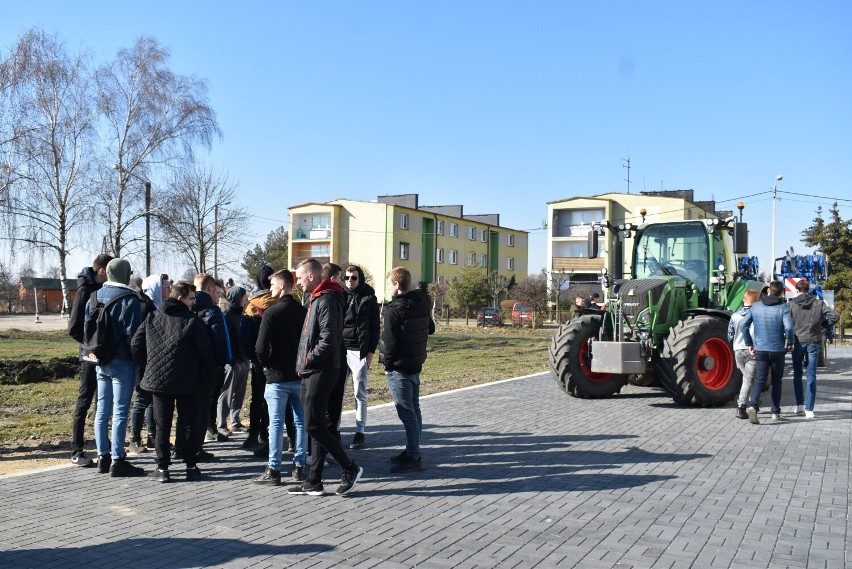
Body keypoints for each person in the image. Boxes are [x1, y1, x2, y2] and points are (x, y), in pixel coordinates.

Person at [288, 258, 363, 497]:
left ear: (311, 276)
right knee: (319, 425)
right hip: (317, 369)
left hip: (321, 369)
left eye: (299, 278)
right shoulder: (319, 297)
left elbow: (328, 339)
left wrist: (308, 359)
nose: (297, 283)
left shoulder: (327, 298)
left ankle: (349, 468)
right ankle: (314, 481)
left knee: (312, 424)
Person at [131, 281, 216, 482]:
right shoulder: (192, 321)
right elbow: (206, 352)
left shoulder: (153, 317)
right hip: (187, 381)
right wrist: (209, 374)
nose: (194, 302)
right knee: (187, 423)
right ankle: (190, 466)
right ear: (180, 298)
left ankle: (163, 470)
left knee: (162, 425)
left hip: (159, 382)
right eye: (191, 298)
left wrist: (146, 366)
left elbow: (136, 343)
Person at [87, 257, 145, 477]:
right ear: (125, 274)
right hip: (122, 361)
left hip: (100, 359)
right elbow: (135, 335)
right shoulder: (128, 299)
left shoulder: (93, 296)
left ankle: (103, 456)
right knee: (120, 411)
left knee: (102, 409)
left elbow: (86, 328)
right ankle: (118, 459)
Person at [252, 270, 308, 486]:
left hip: (276, 376)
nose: (271, 288)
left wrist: (266, 364)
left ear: (283, 286)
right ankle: (299, 467)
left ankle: (274, 469)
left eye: (273, 285)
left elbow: (260, 347)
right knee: (300, 421)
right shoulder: (303, 312)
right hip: (298, 374)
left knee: (275, 423)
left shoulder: (271, 313)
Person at [381, 267, 435, 474]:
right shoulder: (421, 302)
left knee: (406, 412)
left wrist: (387, 366)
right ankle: (413, 449)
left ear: (396, 284)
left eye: (389, 284)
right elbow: (430, 328)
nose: (389, 288)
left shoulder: (395, 309)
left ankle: (414, 456)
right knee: (414, 408)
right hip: (416, 363)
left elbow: (390, 341)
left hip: (400, 367)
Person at [67, 253, 113, 467]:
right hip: (89, 355)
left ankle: (103, 444)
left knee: (102, 401)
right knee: (84, 401)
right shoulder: (86, 290)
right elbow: (74, 327)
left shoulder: (101, 290)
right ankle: (76, 450)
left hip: (102, 354)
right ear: (102, 271)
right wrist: (90, 345)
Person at [128, 273, 170, 455]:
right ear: (156, 288)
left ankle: (153, 436)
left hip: (154, 362)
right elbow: (139, 339)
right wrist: (143, 362)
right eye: (166, 287)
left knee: (153, 401)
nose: (168, 290)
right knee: (142, 400)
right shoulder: (144, 307)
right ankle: (134, 439)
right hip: (144, 363)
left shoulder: (158, 306)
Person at [742, 280, 794, 424]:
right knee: (777, 381)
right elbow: (789, 328)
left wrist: (749, 343)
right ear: (781, 293)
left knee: (760, 379)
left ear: (769, 291)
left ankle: (752, 405)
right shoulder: (783, 307)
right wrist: (790, 342)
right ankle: (775, 413)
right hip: (777, 350)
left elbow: (744, 325)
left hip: (760, 349)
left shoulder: (756, 306)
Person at [788, 279, 839, 419]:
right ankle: (809, 409)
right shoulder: (818, 303)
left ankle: (799, 406)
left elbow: (786, 322)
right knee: (811, 375)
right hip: (814, 341)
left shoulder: (791, 304)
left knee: (797, 373)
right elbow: (835, 316)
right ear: (808, 290)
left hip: (797, 341)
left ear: (797, 291)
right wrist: (823, 325)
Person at [342, 265, 380, 450]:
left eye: (354, 277)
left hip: (359, 350)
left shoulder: (369, 297)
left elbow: (375, 328)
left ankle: (360, 432)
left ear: (360, 278)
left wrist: (370, 353)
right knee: (337, 393)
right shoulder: (340, 295)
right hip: (341, 350)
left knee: (359, 393)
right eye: (347, 277)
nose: (350, 280)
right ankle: (335, 429)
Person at [240, 265, 276, 451]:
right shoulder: (280, 301)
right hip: (278, 360)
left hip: (258, 361)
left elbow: (244, 337)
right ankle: (269, 434)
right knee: (275, 399)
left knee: (257, 398)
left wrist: (253, 357)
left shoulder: (251, 305)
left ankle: (253, 434)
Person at [217, 286, 250, 434]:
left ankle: (235, 421)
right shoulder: (226, 315)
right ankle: (222, 424)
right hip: (231, 361)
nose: (246, 299)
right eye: (244, 296)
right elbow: (227, 340)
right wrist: (232, 358)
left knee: (240, 391)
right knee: (227, 392)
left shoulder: (241, 314)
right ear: (237, 297)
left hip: (242, 359)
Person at [728, 289, 758, 419]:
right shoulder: (757, 314)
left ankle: (752, 402)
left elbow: (730, 335)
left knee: (747, 378)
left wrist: (733, 345)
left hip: (738, 350)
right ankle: (742, 406)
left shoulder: (734, 315)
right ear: (756, 301)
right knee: (748, 379)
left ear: (744, 299)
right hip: (752, 349)